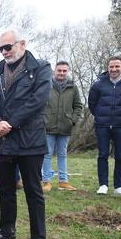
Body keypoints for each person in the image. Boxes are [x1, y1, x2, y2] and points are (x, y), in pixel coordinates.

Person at [0, 28, 51, 239]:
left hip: (30, 140)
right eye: (1, 48)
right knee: (6, 190)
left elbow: (37, 101)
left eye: (8, 47)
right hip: (4, 141)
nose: (4, 52)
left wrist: (9, 123)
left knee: (33, 191)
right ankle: (7, 233)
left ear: (22, 44)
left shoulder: (40, 68)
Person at [88, 55, 121, 197]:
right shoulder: (98, 84)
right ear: (108, 67)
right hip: (102, 125)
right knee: (102, 155)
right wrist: (100, 115)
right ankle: (103, 185)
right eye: (111, 66)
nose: (114, 69)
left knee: (120, 156)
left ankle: (119, 186)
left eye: (117, 66)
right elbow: (92, 104)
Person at [41, 61, 84, 192]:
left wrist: (73, 121)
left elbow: (78, 106)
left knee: (62, 154)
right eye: (59, 70)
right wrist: (43, 120)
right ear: (54, 70)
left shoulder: (73, 87)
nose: (61, 73)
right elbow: (40, 104)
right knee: (47, 155)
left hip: (65, 128)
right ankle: (46, 181)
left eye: (64, 71)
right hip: (48, 127)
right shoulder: (46, 85)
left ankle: (63, 181)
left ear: (68, 71)